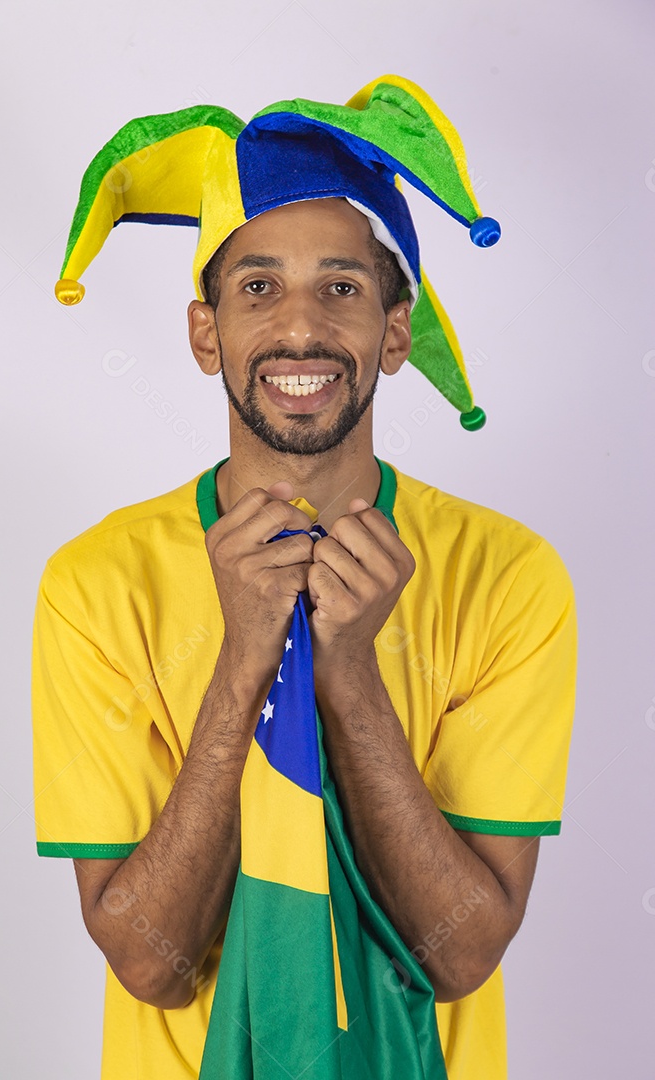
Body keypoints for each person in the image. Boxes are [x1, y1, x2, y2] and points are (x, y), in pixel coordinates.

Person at [32, 76, 577, 1079]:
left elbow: (459, 953)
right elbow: (150, 963)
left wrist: (351, 673)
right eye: (256, 287)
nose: (300, 328)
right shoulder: (95, 582)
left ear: (395, 328)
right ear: (208, 335)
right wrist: (245, 657)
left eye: (341, 286)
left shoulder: (510, 576)